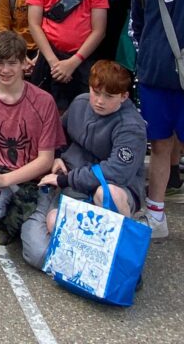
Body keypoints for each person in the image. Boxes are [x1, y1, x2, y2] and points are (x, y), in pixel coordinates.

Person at [23, 60, 147, 268]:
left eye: (109, 96)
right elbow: (59, 134)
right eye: (96, 92)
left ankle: (123, 256)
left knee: (108, 194)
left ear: (124, 96)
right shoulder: (81, 102)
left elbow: (117, 173)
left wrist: (65, 179)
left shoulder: (131, 126)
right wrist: (58, 155)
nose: (99, 101)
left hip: (112, 188)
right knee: (46, 239)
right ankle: (89, 259)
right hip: (73, 187)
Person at [0, 32, 66, 250]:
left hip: (32, 180)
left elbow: (46, 159)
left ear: (24, 63)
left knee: (38, 254)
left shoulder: (44, 102)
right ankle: (10, 215)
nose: (5, 70)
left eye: (12, 63)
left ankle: (22, 220)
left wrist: (4, 180)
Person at [130, 0, 184, 239]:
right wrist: (148, 58)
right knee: (160, 146)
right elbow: (137, 28)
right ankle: (156, 215)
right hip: (155, 80)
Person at [28, 0, 109, 111]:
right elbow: (34, 24)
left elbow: (99, 30)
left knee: (82, 114)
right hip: (49, 59)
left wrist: (74, 62)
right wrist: (53, 62)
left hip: (81, 59)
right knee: (45, 114)